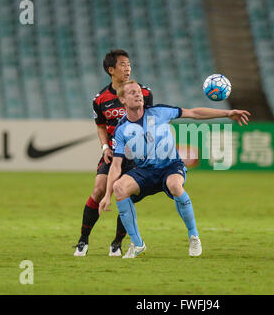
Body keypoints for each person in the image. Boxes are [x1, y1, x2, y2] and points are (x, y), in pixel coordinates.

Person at [98, 80, 250, 258]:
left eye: (139, 91)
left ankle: (194, 236)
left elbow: (193, 113)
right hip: (146, 171)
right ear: (122, 100)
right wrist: (108, 195)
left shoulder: (160, 112)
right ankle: (138, 244)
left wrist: (228, 113)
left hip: (170, 165)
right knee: (119, 188)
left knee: (175, 185)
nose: (138, 94)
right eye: (132, 92)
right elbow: (116, 165)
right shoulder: (121, 129)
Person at [73, 50, 153, 257]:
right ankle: (83, 240)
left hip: (136, 156)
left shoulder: (143, 94)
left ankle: (117, 243)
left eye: (129, 64)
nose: (128, 68)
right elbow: (100, 126)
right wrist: (105, 147)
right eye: (123, 64)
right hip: (113, 153)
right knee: (99, 189)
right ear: (111, 70)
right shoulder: (101, 99)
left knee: (125, 195)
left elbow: (151, 121)